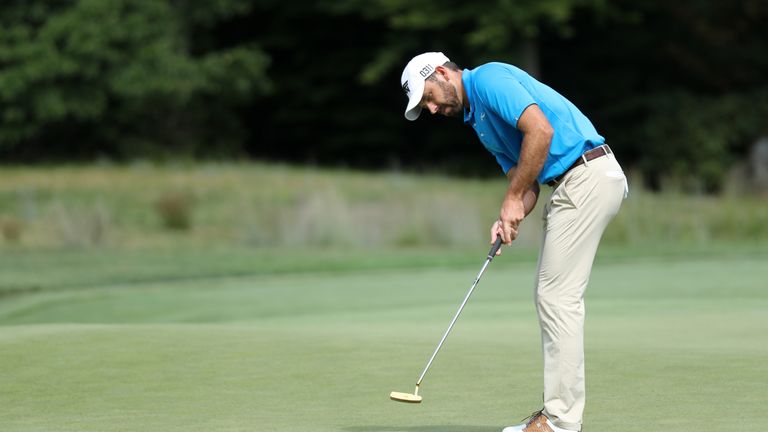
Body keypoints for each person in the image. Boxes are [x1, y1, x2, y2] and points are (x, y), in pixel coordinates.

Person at [400, 52, 628, 432]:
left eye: (429, 98)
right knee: (554, 295)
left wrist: (512, 198)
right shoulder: (478, 122)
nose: (433, 109)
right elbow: (528, 185)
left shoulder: (488, 80)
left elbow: (541, 131)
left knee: (557, 297)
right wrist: (510, 213)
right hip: (571, 182)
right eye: (426, 107)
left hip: (586, 173)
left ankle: (560, 422)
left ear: (441, 73)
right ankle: (559, 418)